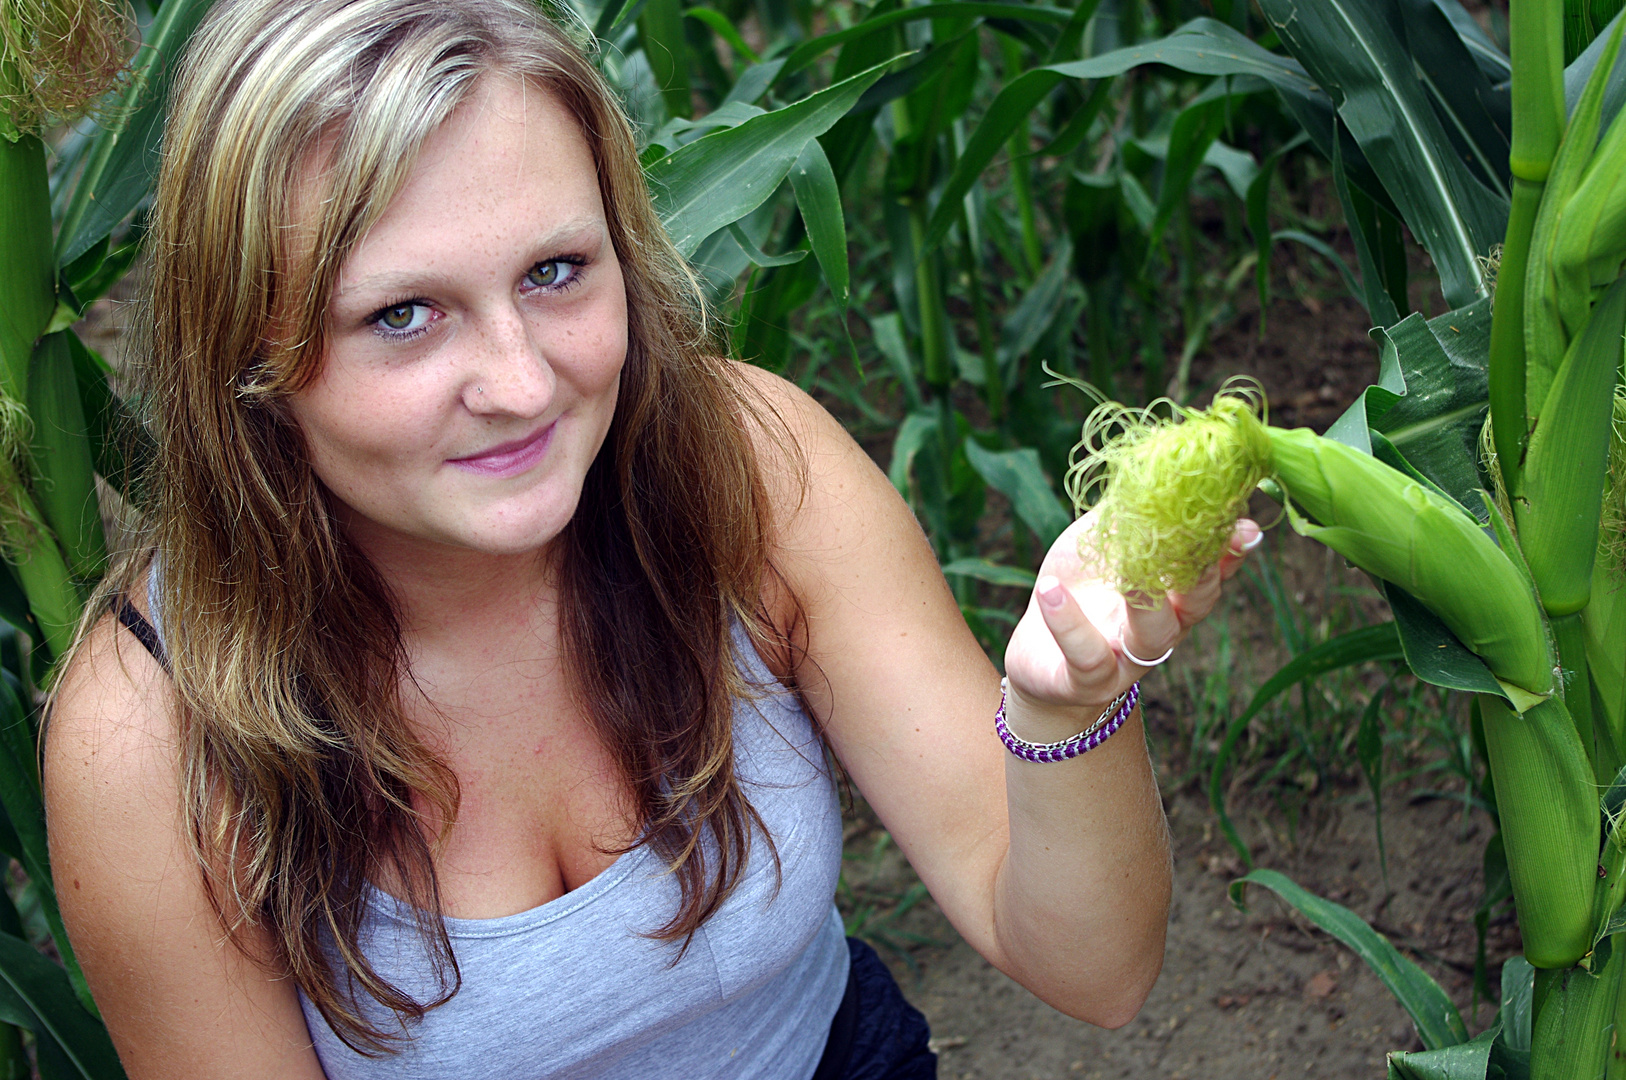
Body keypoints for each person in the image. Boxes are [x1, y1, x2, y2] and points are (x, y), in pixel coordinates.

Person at [41, 0, 1260, 1076]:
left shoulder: (748, 470)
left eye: (557, 270)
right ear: (248, 352)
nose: (521, 385)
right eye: (404, 315)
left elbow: (1095, 974)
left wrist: (1064, 704)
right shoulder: (151, 735)